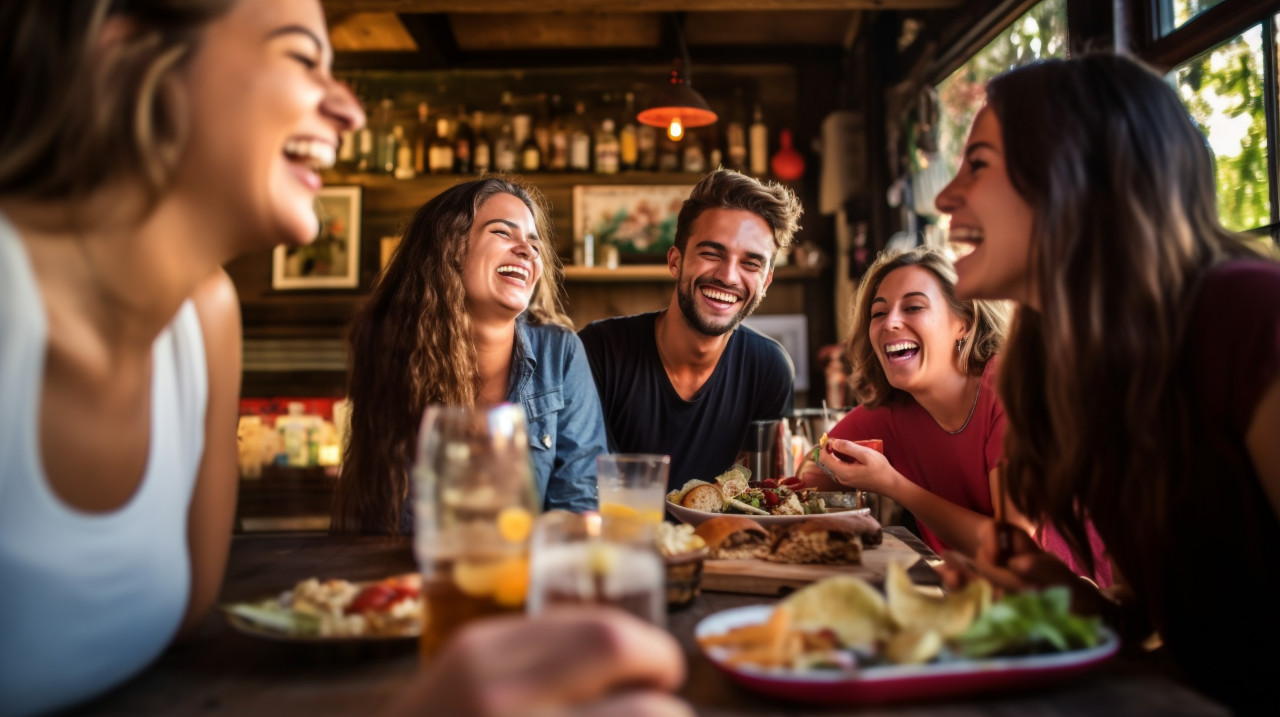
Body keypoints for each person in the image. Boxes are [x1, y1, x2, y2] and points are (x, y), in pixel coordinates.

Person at [0, 2, 680, 715]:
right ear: (130, 58)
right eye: (300, 56)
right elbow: (383, 526)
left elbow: (174, 635)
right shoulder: (385, 341)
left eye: (535, 241)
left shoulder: (207, 317)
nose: (350, 109)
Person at [934, 54, 1279, 714]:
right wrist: (1079, 609)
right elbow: (1173, 625)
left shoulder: (1246, 310)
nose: (947, 196)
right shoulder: (1051, 365)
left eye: (976, 164)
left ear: (1076, 175)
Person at [797, 247, 1111, 585]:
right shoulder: (893, 410)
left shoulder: (1011, 386)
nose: (890, 323)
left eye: (914, 307)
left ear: (964, 322)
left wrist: (892, 485)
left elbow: (1014, 546)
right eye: (878, 312)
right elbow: (814, 468)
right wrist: (818, 474)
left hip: (1079, 605)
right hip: (978, 604)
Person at [332, 177, 607, 535]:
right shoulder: (394, 347)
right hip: (417, 575)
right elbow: (386, 512)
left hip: (526, 577)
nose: (527, 250)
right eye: (503, 233)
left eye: (534, 243)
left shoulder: (561, 353)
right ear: (449, 249)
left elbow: (579, 502)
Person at [579, 168, 801, 488]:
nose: (728, 276)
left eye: (750, 264)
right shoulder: (597, 352)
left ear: (765, 282)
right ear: (675, 261)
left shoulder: (769, 369)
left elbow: (762, 500)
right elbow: (579, 483)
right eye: (712, 254)